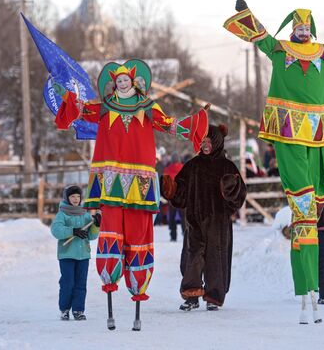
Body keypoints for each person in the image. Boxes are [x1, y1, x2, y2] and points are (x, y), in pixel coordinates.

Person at [224, 0, 324, 323]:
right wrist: (246, 11)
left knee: (312, 206)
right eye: (296, 26)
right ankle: (306, 283)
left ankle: (312, 283)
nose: (301, 30)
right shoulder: (280, 49)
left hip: (315, 132)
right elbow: (261, 37)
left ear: (311, 29)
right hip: (287, 131)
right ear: (293, 29)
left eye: (304, 26)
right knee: (301, 204)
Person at [53, 59, 208, 330]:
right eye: (118, 80)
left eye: (126, 80)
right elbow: (80, 110)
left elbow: (168, 124)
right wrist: (67, 95)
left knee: (138, 236)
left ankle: (138, 287)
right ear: (113, 84)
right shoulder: (104, 107)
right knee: (111, 234)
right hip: (110, 180)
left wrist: (191, 124)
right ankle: (110, 281)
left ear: (135, 82)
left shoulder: (147, 107)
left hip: (140, 184)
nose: (122, 83)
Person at [162, 125, 247, 311]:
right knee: (193, 258)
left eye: (209, 141)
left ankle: (213, 297)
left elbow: (239, 195)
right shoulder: (193, 165)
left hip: (218, 223)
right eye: (203, 141)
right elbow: (181, 193)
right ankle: (191, 294)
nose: (205, 145)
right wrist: (172, 190)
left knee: (216, 259)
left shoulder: (227, 166)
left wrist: (230, 189)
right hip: (195, 221)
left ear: (217, 142)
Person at [51, 185, 100, 321]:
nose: (76, 199)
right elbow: (56, 230)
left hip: (83, 254)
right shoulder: (62, 214)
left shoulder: (84, 214)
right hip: (67, 254)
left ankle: (78, 310)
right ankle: (65, 309)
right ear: (67, 198)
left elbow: (91, 236)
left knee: (80, 283)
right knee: (68, 282)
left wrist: (96, 225)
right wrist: (72, 231)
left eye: (78, 196)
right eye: (72, 196)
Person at [163, 153, 184, 242]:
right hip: (182, 196)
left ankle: (173, 235)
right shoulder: (184, 167)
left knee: (172, 216)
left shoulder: (167, 169)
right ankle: (185, 232)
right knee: (184, 217)